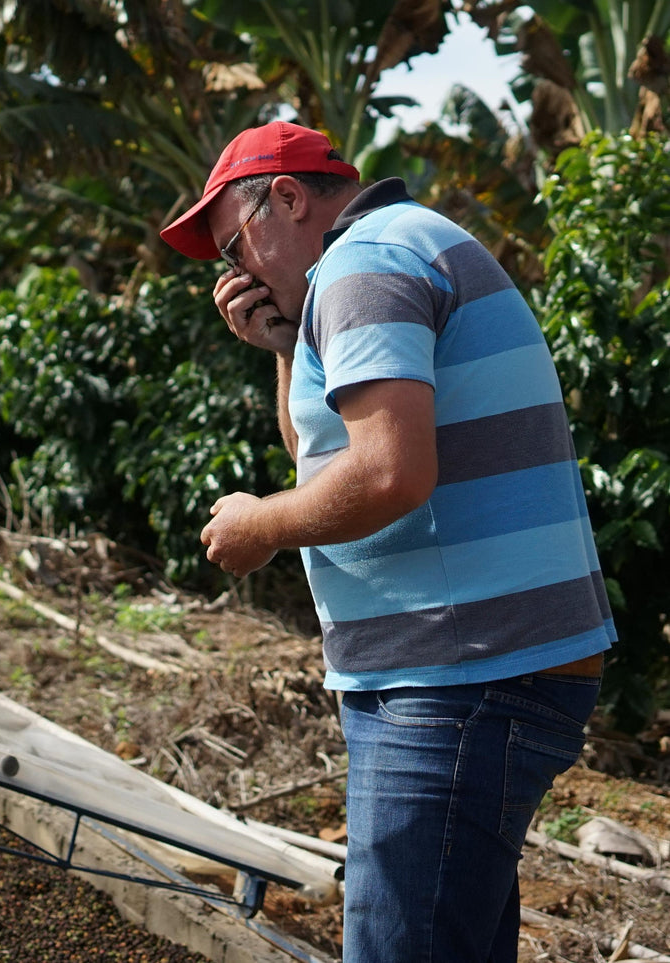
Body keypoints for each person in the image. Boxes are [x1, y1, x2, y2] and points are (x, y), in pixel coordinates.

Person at [157, 121, 617, 963]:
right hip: (467, 670)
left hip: (458, 679)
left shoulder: (364, 265)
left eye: (234, 247)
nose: (235, 274)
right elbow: (328, 460)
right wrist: (285, 343)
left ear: (287, 200)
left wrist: (256, 525)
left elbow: (384, 477)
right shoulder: (383, 254)